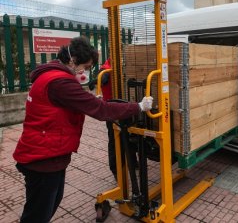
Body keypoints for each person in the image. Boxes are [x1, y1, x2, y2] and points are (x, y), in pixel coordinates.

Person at [13, 36, 153, 223]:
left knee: (48, 204)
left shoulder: (50, 75)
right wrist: (138, 107)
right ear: (73, 60)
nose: (86, 72)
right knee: (38, 214)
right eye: (86, 67)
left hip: (46, 152)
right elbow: (100, 109)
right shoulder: (60, 83)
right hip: (43, 158)